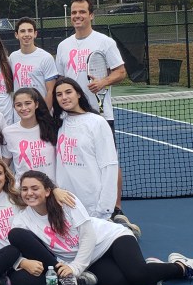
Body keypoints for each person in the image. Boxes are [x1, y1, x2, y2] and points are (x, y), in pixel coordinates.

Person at [9, 171, 193, 285]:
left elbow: (88, 235)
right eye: (25, 189)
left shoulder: (66, 201)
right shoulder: (22, 219)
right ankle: (146, 267)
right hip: (90, 258)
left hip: (110, 239)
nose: (29, 193)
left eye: (35, 188)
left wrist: (76, 268)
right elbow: (15, 246)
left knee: (138, 275)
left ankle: (182, 266)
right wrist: (22, 263)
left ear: (47, 191)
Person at [55, 0, 131, 226]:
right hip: (70, 115)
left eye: (82, 12)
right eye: (74, 13)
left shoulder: (104, 42)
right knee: (76, 160)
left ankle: (116, 208)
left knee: (109, 162)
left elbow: (121, 72)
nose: (77, 16)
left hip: (100, 114)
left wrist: (103, 82)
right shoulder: (63, 45)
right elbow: (61, 79)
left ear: (91, 15)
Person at [52, 78, 136, 234]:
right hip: (67, 203)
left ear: (78, 94)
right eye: (59, 94)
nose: (64, 97)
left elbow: (109, 165)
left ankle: (119, 231)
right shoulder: (60, 123)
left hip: (92, 204)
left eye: (68, 92)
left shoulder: (97, 123)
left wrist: (104, 208)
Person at [3, 88, 58, 182]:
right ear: (14, 107)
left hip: (52, 188)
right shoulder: (8, 132)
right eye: (18, 105)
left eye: (28, 103)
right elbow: (5, 164)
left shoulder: (51, 127)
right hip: (24, 190)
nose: (24, 108)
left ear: (36, 104)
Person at [9, 17, 58, 111]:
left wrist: (44, 113)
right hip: (20, 114)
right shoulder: (13, 57)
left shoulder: (46, 57)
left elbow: (50, 91)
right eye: (22, 31)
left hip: (40, 114)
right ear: (16, 35)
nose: (26, 34)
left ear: (35, 34)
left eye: (30, 31)